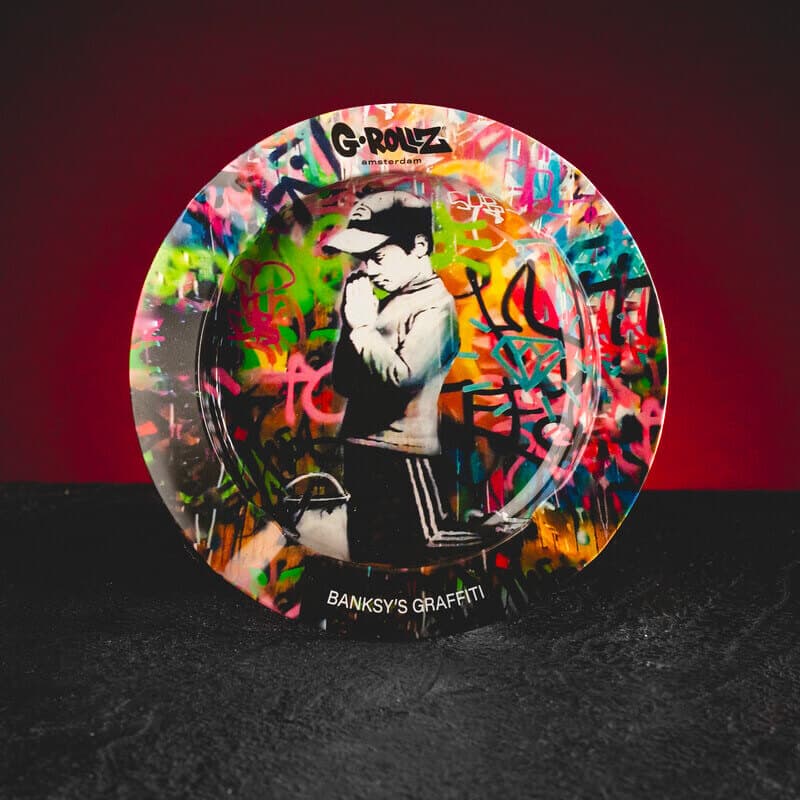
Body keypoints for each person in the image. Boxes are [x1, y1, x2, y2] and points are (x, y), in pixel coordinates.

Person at [325, 190, 488, 564]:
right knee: (367, 551)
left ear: (419, 247)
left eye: (378, 257)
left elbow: (402, 379)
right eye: (363, 259)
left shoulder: (435, 307)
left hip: (402, 452)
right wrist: (352, 326)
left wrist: (363, 328)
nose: (369, 269)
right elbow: (346, 382)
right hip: (362, 447)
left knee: (416, 549)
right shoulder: (387, 301)